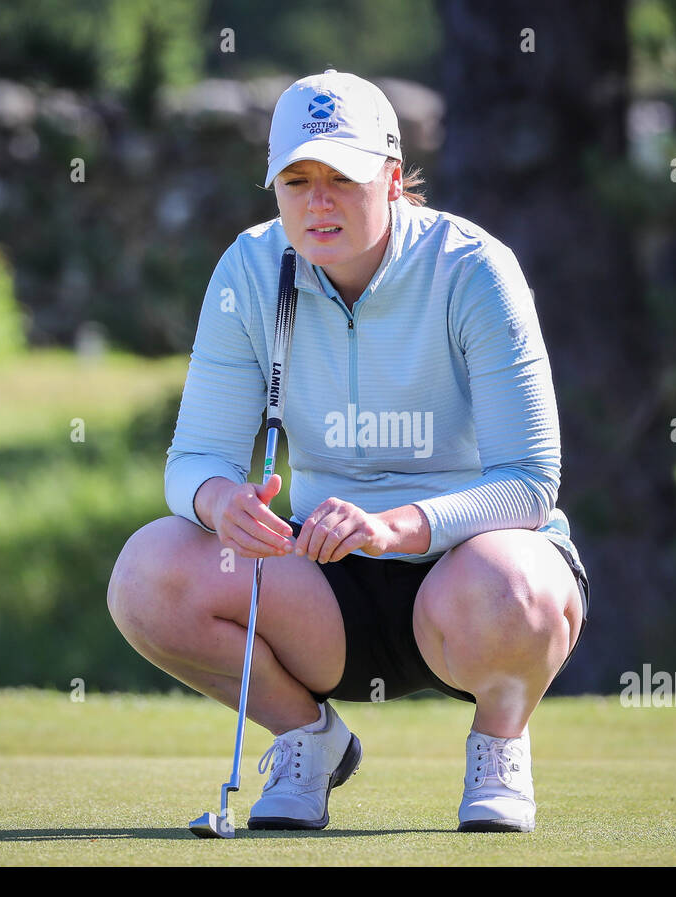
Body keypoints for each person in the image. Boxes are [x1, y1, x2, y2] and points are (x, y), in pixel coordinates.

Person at [107, 69, 589, 833]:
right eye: (297, 181)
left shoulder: (475, 269)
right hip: (323, 585)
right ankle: (307, 740)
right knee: (147, 572)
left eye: (343, 178)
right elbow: (193, 459)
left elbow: (529, 484)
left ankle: (500, 744)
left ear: (393, 180)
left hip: (472, 579)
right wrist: (221, 502)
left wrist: (397, 526)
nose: (318, 203)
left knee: (512, 582)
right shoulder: (250, 269)